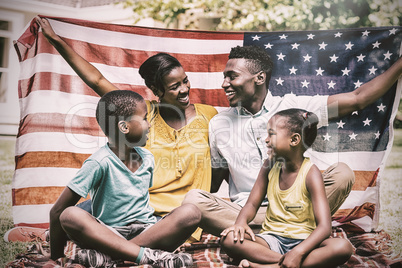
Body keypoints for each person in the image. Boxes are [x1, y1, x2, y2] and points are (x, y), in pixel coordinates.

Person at [183, 45, 402, 236]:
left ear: (259, 78)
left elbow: (357, 99)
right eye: (225, 77)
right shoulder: (218, 124)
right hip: (246, 213)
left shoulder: (295, 107)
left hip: (297, 207)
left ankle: (266, 237)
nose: (224, 84)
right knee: (195, 199)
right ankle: (283, 233)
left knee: (342, 173)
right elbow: (213, 181)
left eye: (232, 76)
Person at [35, 16, 217, 239]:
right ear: (155, 90)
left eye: (185, 81)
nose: (185, 89)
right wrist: (55, 41)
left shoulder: (209, 116)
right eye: (174, 86)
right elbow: (96, 80)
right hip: (133, 207)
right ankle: (48, 234)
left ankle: (99, 242)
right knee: (68, 218)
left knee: (81, 226)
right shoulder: (143, 113)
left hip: (171, 217)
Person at [47, 89, 199, 267]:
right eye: (144, 119)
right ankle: (149, 256)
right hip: (108, 234)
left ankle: (113, 257)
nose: (149, 125)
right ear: (124, 127)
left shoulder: (148, 158)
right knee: (70, 215)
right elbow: (57, 211)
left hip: (147, 231)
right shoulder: (99, 162)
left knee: (191, 213)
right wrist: (55, 257)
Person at [220, 108, 354, 267]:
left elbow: (324, 227)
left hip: (305, 243)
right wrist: (241, 222)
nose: (266, 140)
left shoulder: (311, 174)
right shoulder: (269, 166)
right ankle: (285, 264)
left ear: (294, 140)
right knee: (229, 240)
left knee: (342, 247)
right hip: (271, 240)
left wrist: (299, 251)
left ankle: (270, 265)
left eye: (272, 134)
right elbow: (251, 204)